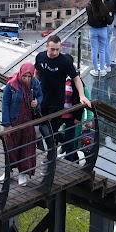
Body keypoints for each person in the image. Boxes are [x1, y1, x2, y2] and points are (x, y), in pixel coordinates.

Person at [34, 33, 91, 163]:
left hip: (56, 103)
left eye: (58, 49)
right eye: (52, 49)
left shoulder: (64, 61)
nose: (55, 52)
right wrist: (33, 89)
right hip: (42, 100)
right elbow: (36, 73)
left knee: (51, 132)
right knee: (42, 129)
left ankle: (51, 157)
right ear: (46, 46)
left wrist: (82, 95)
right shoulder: (40, 57)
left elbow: (76, 79)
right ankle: (55, 152)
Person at [0, 63, 41, 186]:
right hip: (14, 121)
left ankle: (23, 173)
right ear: (21, 73)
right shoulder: (11, 85)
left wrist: (37, 102)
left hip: (28, 122)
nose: (27, 79)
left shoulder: (35, 84)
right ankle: (9, 171)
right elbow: (5, 103)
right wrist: (6, 124)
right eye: (25, 76)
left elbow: (40, 96)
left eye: (29, 76)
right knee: (11, 148)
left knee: (26, 148)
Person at [85, 0, 113, 77]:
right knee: (102, 50)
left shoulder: (89, 7)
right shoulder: (104, 7)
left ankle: (95, 70)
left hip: (93, 30)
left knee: (94, 50)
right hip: (103, 30)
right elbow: (109, 20)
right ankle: (102, 69)